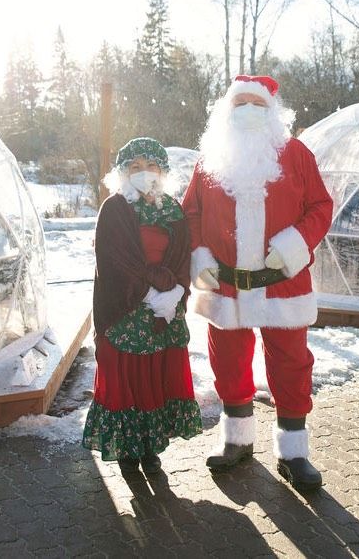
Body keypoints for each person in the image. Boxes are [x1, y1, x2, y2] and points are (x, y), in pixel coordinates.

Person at [182, 74, 333, 492]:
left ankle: (294, 452)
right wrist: (199, 255)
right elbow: (189, 213)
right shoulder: (209, 159)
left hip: (281, 283)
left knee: (290, 363)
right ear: (226, 111)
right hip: (226, 285)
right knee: (227, 362)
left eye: (257, 103)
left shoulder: (296, 154)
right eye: (240, 103)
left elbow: (321, 205)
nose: (249, 110)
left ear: (272, 112)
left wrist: (294, 246)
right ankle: (237, 441)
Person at [82, 138, 202, 475]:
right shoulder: (115, 208)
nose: (144, 173)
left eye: (151, 167)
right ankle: (127, 450)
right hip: (126, 308)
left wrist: (176, 291)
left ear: (163, 172)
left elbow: (182, 256)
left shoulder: (173, 209)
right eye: (135, 167)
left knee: (155, 377)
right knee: (128, 379)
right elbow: (112, 259)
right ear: (122, 174)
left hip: (164, 311)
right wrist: (149, 294)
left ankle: (149, 445)